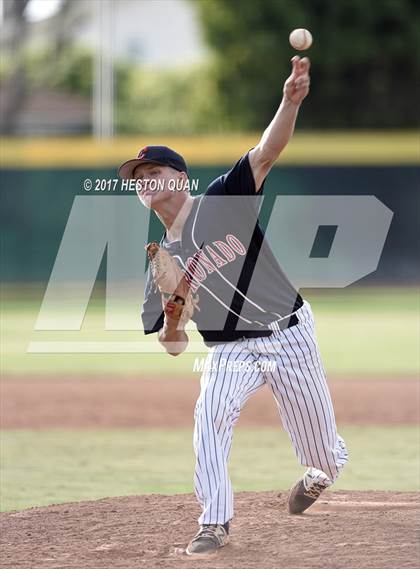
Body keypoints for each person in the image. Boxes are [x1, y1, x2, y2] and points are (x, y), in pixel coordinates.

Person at [118, 56, 348, 556]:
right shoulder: (160, 267)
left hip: (289, 333)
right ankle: (213, 522)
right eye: (137, 176)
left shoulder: (224, 199)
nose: (144, 179)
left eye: (153, 169)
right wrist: (174, 317)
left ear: (179, 177)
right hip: (229, 351)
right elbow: (174, 348)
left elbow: (266, 153)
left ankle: (323, 470)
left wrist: (290, 101)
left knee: (322, 456)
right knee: (210, 417)